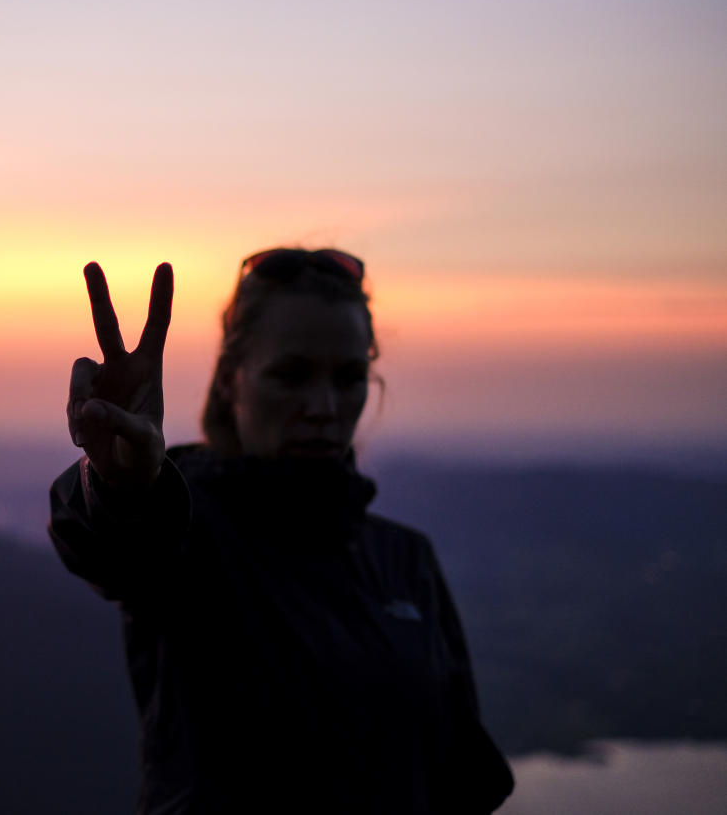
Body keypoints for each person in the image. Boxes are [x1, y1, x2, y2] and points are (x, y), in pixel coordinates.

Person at [48, 248, 515, 814]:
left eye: (349, 378)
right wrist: (121, 484)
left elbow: (459, 781)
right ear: (229, 383)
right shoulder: (190, 530)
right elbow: (113, 549)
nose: (323, 407)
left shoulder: (405, 560)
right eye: (291, 375)